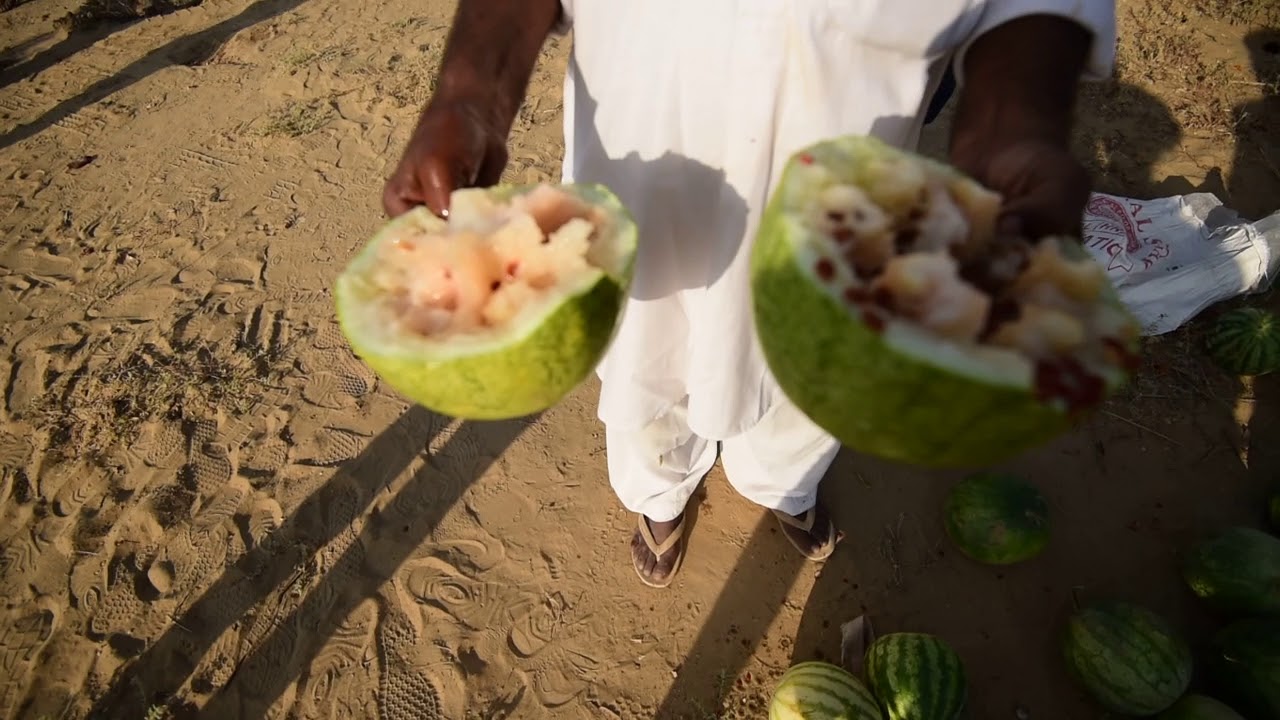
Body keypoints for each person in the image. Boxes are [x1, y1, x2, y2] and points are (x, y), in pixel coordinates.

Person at [383, 0, 1114, 588]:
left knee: (806, 381)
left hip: (844, 202)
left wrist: (1012, 127)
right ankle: (660, 497)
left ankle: (780, 487)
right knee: (647, 360)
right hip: (640, 183)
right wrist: (469, 93)